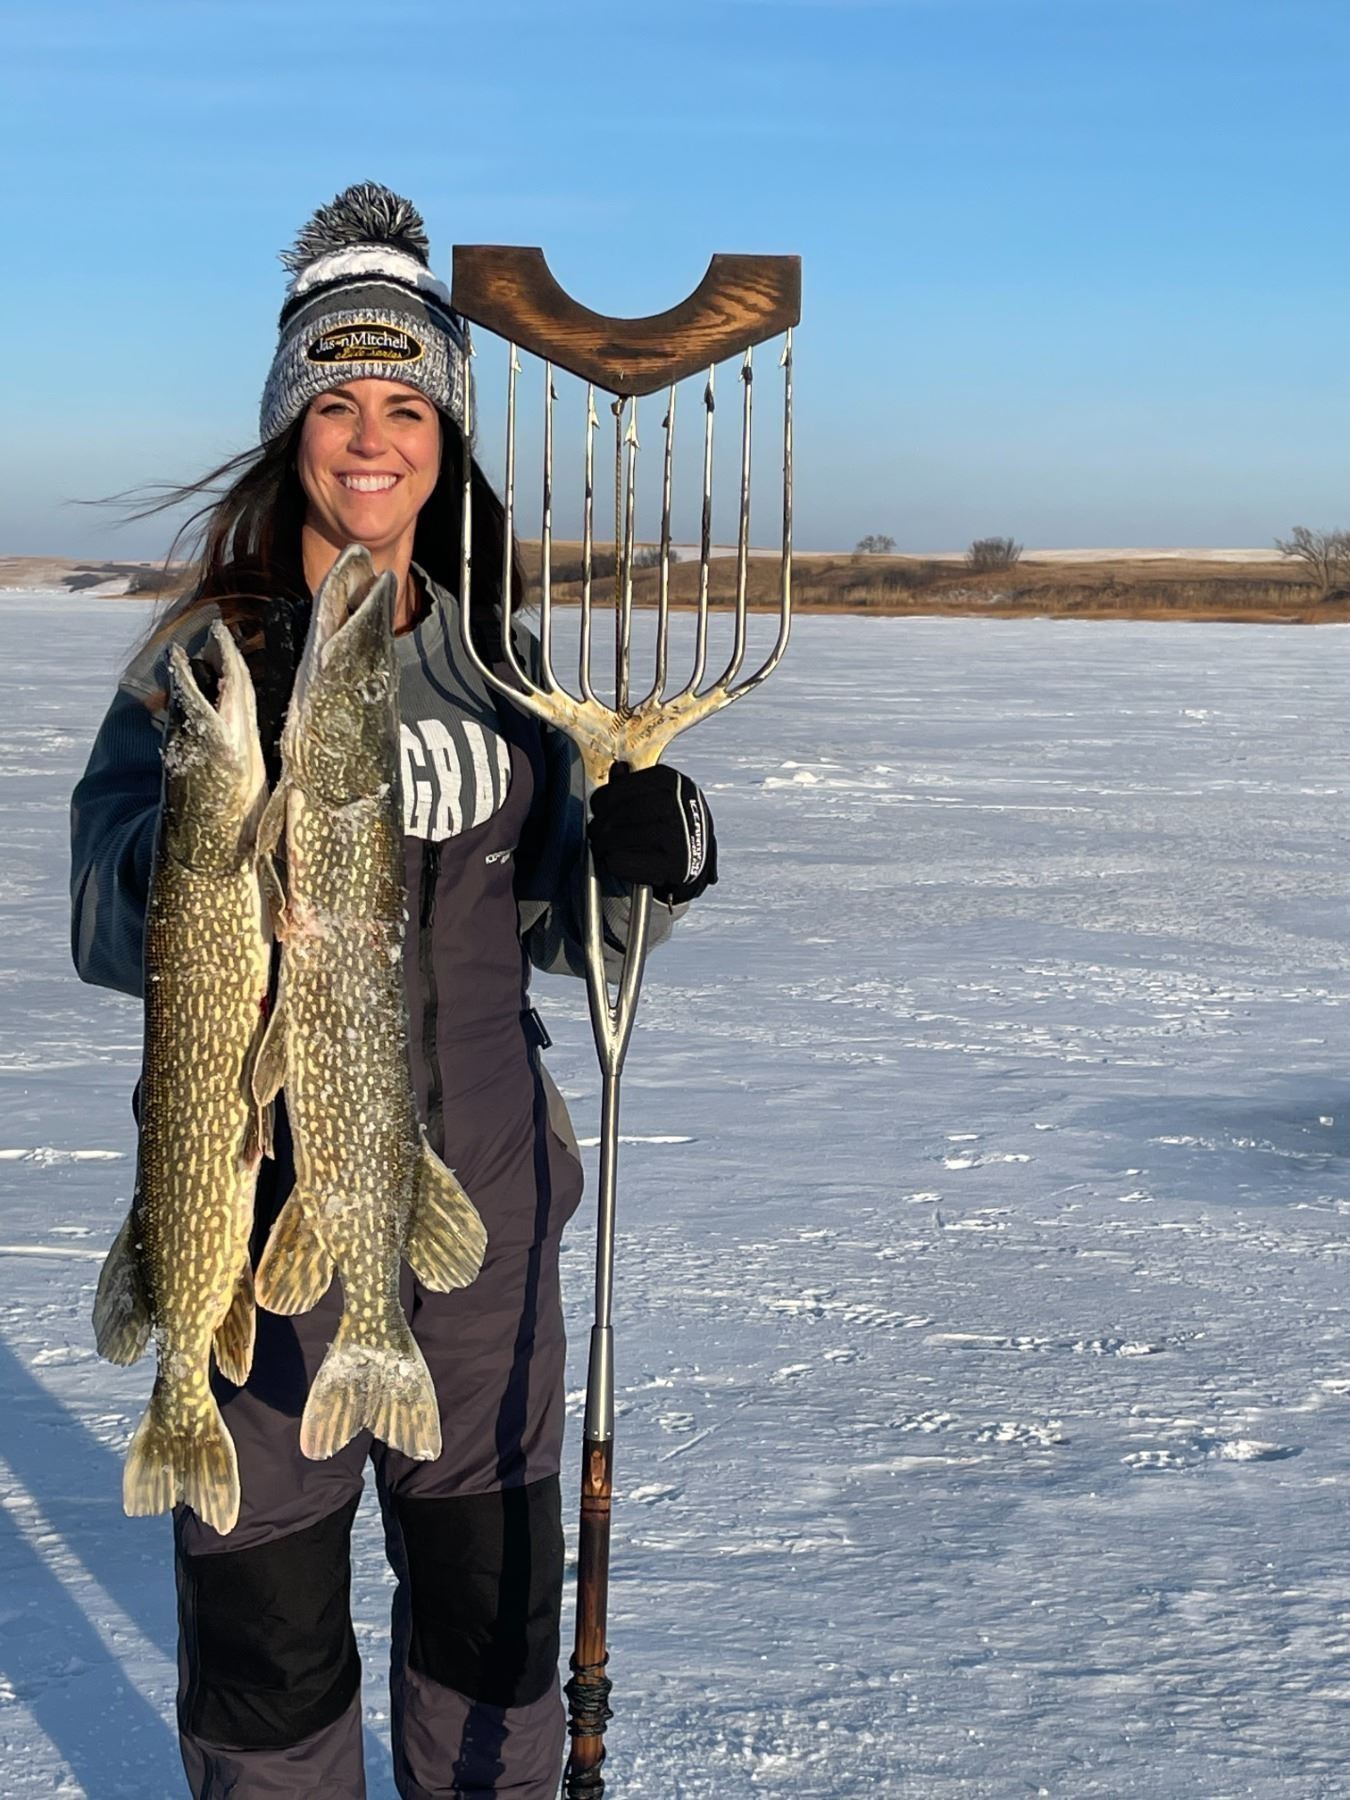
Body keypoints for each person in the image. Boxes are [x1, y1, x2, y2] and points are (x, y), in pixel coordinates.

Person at [69, 182, 718, 1800]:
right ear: (287, 432)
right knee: (269, 1657)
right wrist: (208, 845)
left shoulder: (507, 669)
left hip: (481, 1223)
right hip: (253, 1216)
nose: (372, 439)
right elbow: (101, 918)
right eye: (336, 404)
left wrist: (645, 852)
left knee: (491, 1640)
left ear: (446, 437)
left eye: (406, 406)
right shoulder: (204, 663)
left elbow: (574, 933)